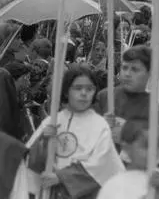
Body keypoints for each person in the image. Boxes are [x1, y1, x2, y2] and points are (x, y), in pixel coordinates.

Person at [26, 64, 125, 198]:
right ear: (67, 91)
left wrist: (62, 177)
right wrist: (43, 142)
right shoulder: (52, 122)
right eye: (78, 88)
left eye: (89, 89)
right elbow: (29, 162)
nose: (84, 93)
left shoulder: (99, 125)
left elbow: (103, 165)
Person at [94, 45, 159, 167]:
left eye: (135, 69)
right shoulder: (105, 97)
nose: (127, 74)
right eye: (124, 68)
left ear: (149, 73)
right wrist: (101, 126)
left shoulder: (155, 110)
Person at [97, 119, 159, 199]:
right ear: (127, 148)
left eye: (156, 145)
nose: (153, 151)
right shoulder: (113, 187)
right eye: (146, 146)